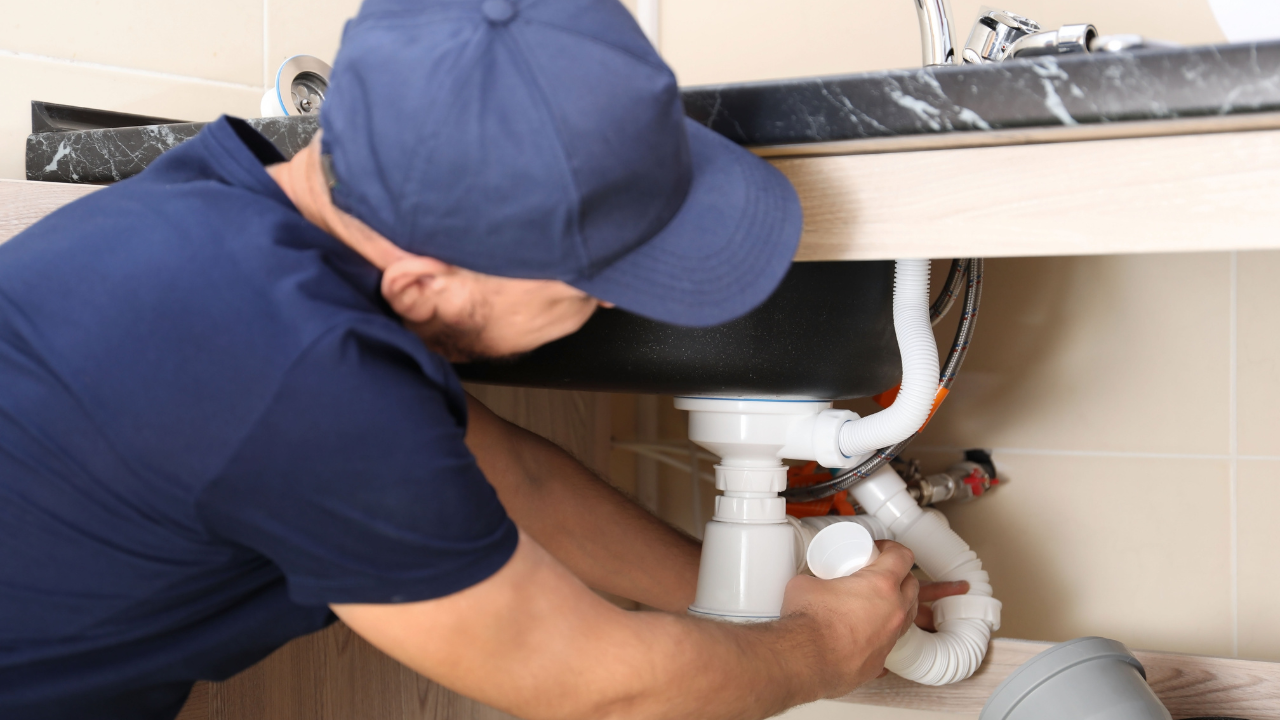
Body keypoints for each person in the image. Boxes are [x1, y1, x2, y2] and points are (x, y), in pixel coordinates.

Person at [0, 1, 967, 718]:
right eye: (593, 284)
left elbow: (519, 479)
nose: (622, 302)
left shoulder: (220, 208)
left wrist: (760, 608)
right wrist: (822, 651)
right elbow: (601, 690)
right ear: (425, 290)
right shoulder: (306, 384)